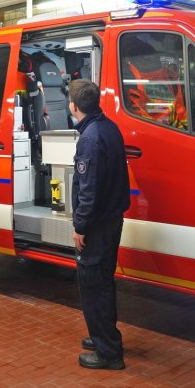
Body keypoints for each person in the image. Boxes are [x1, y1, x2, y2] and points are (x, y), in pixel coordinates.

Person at [68, 79, 130, 371]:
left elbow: (88, 189)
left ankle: (108, 353)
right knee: (103, 282)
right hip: (112, 220)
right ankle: (104, 336)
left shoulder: (90, 137)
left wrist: (80, 226)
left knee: (93, 285)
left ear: (74, 106)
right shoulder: (109, 127)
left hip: (96, 225)